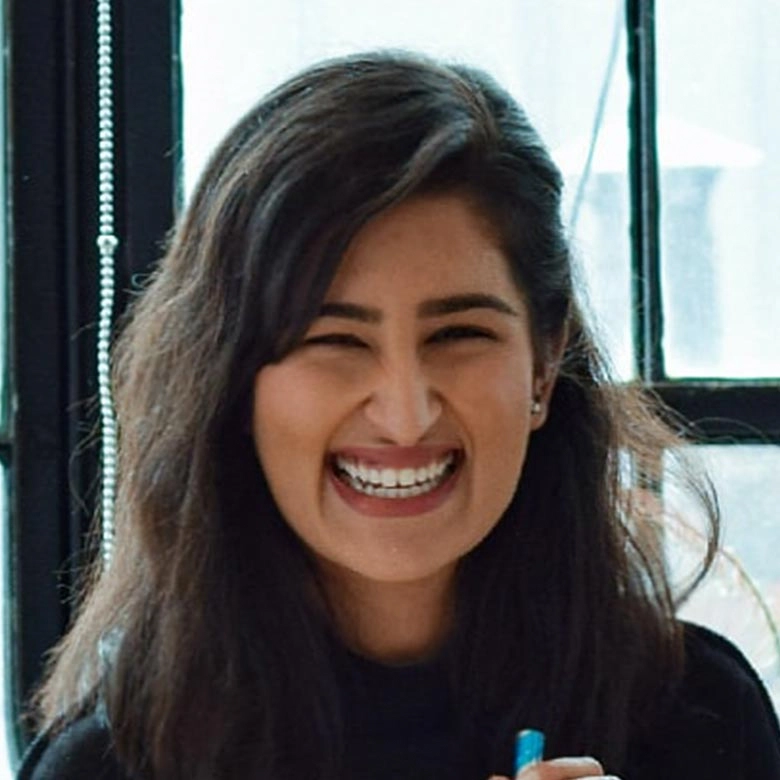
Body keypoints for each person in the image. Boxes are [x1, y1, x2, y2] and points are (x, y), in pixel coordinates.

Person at [18, 50, 780, 780]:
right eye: (335, 341)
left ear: (544, 367)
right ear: (233, 380)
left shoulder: (700, 719)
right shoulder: (110, 767)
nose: (406, 414)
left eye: (459, 335)